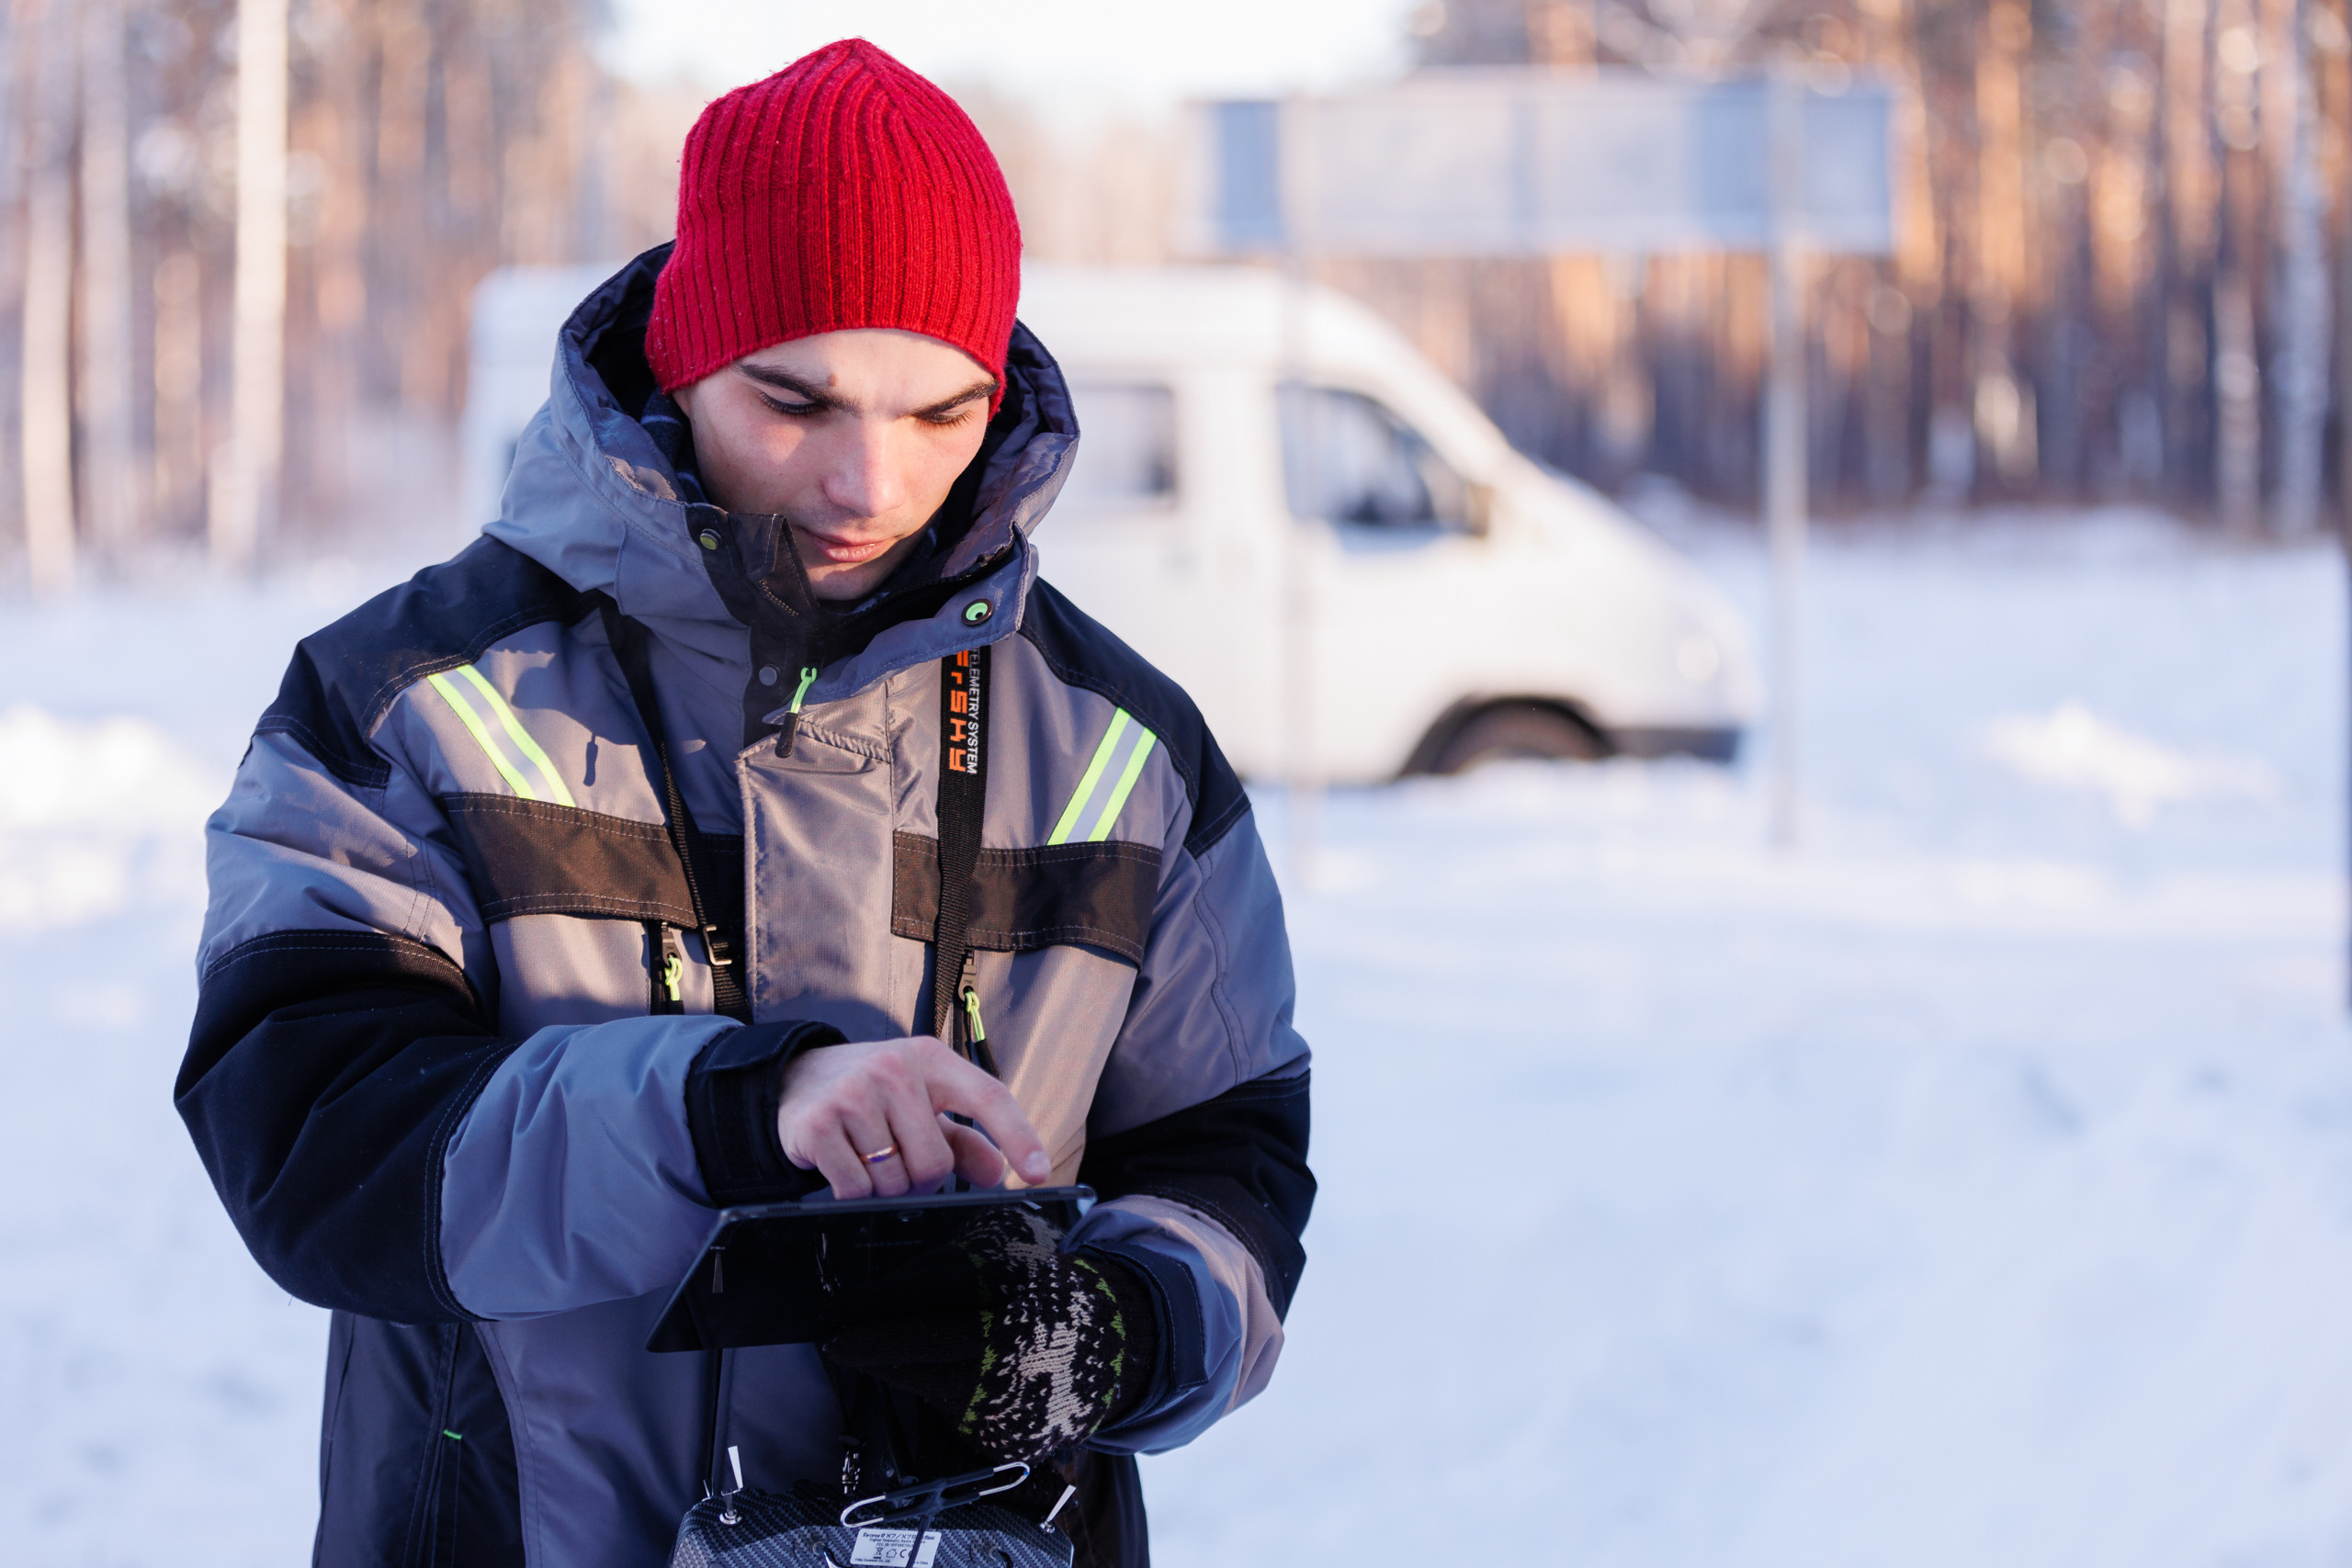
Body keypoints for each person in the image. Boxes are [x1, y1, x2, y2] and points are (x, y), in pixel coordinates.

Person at [174, 39, 1312, 1568]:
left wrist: (1118, 1329)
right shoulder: (412, 703)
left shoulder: (1127, 750)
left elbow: (1230, 1151)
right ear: (686, 352)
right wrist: (728, 1113)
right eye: (798, 400)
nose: (869, 482)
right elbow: (310, 1139)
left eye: (941, 412)